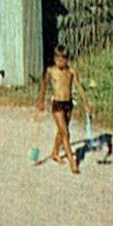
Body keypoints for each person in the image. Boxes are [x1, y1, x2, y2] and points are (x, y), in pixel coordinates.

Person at [37, 46, 92, 175]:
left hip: (68, 104)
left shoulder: (71, 72)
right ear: (55, 59)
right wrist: (41, 101)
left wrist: (86, 103)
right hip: (57, 104)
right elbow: (44, 86)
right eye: (58, 59)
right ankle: (73, 162)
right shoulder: (51, 71)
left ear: (67, 59)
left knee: (62, 131)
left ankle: (55, 152)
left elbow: (79, 88)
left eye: (63, 59)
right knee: (66, 133)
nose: (61, 62)